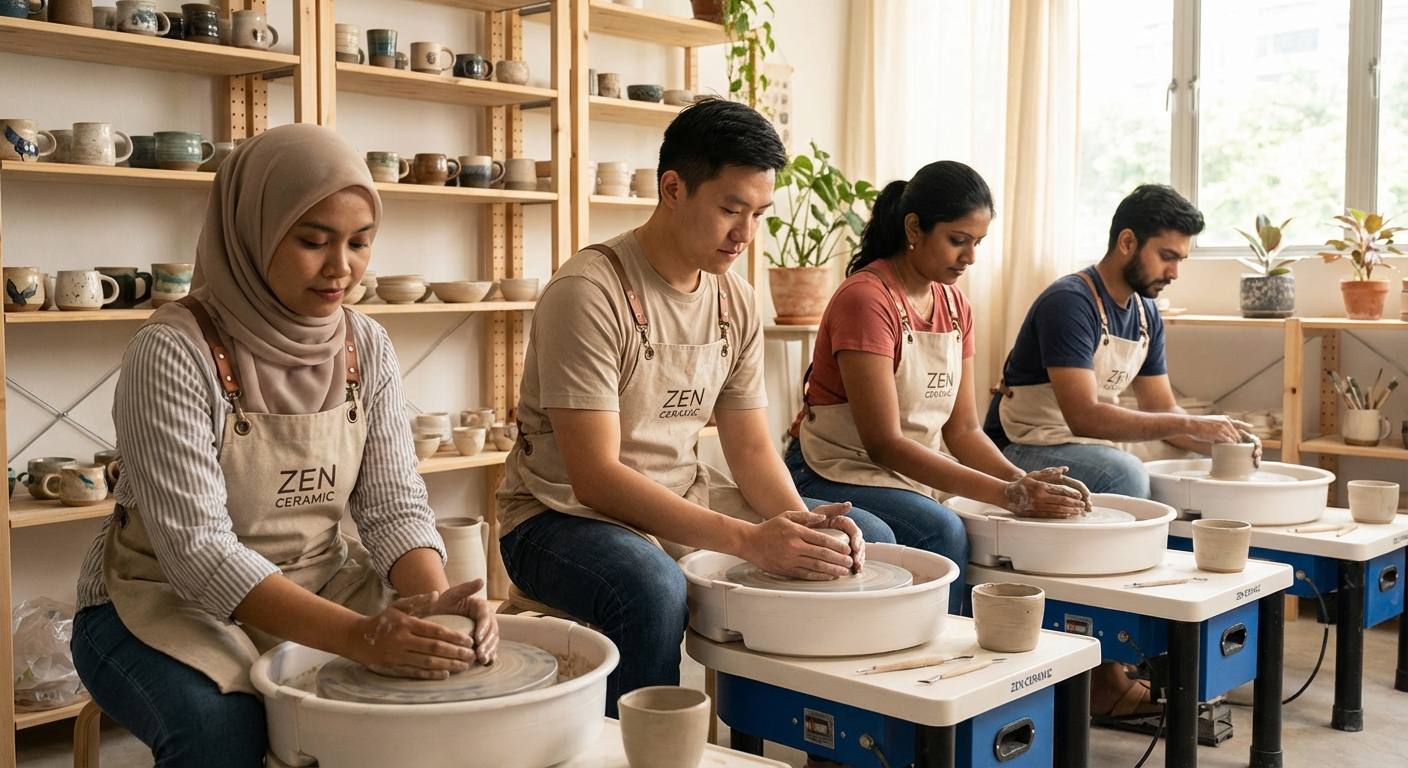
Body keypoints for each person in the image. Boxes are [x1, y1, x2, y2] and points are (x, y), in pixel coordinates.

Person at [70, 124, 498, 766]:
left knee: (440, 683)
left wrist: (432, 601)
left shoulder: (365, 345)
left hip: (319, 578)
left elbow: (393, 507)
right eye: (313, 241)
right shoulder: (173, 352)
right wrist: (360, 638)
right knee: (226, 727)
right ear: (253, 232)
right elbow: (197, 551)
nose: (341, 268)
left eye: (360, 243)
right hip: (161, 599)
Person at [497, 99, 892, 715]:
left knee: (864, 538)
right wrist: (751, 541)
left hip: (681, 495)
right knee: (654, 588)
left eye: (759, 213)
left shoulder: (734, 299)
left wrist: (800, 529)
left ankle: (821, 741)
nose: (745, 233)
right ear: (673, 188)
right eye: (731, 209)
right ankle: (637, 752)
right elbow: (594, 477)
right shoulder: (589, 292)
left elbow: (753, 447)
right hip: (558, 516)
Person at [785, 161, 1090, 613]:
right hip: (836, 468)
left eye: (977, 243)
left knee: (1008, 517)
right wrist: (1007, 492)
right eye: (958, 240)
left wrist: (1021, 481)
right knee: (942, 529)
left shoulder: (954, 305)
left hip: (910, 472)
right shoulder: (866, 299)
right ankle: (937, 660)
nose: (969, 257)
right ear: (914, 227)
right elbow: (884, 444)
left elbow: (964, 430)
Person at [983, 184, 1258, 499]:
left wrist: (1225, 442)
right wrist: (1195, 425)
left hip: (1085, 441)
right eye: (1167, 256)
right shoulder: (1069, 302)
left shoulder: (1146, 312)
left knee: (1195, 465)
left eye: (1181, 259)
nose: (1175, 273)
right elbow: (1084, 417)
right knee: (1123, 474)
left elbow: (1161, 408)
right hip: (1025, 442)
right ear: (1127, 241)